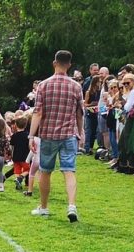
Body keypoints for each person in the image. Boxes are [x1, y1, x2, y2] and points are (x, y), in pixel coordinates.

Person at [30, 50, 85, 222]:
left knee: (45, 172)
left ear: (54, 63)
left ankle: (44, 207)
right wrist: (81, 132)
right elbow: (79, 113)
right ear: (69, 65)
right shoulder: (76, 86)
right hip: (68, 134)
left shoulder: (43, 85)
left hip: (48, 134)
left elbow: (37, 113)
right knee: (69, 171)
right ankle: (71, 205)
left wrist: (31, 135)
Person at [5, 113, 32, 195]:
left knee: (17, 170)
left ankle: (18, 184)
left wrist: (10, 155)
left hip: (16, 157)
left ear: (16, 125)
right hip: (25, 157)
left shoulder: (14, 136)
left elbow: (11, 146)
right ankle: (20, 178)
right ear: (26, 125)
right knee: (28, 169)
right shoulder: (27, 135)